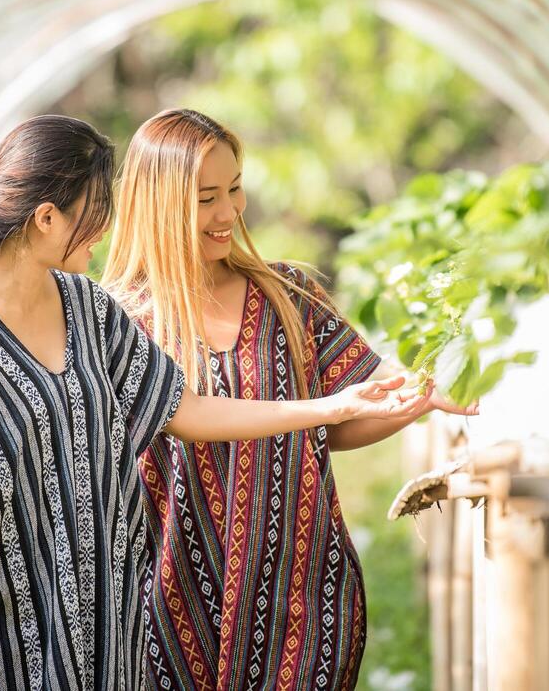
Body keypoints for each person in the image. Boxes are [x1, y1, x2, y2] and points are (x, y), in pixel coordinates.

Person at [0, 115, 428, 691]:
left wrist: (328, 408)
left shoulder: (85, 308)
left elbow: (187, 411)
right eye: (95, 217)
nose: (106, 233)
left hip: (106, 644)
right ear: (46, 218)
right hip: (2, 642)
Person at [101, 108, 478, 691]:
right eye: (205, 198)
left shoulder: (288, 295)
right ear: (158, 202)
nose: (228, 212)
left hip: (300, 596)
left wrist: (422, 392)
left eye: (234, 188)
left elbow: (348, 416)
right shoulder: (117, 322)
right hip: (167, 609)